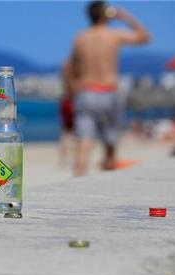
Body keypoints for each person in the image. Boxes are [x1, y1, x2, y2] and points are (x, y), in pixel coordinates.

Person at [64, 1, 150, 176]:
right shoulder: (113, 35)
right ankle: (108, 176)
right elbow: (145, 36)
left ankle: (76, 183)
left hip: (86, 92)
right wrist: (125, 17)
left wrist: (72, 90)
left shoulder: (81, 37)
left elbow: (68, 68)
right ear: (106, 14)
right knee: (110, 141)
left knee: (83, 143)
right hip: (108, 91)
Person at [59, 63, 76, 166]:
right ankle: (74, 157)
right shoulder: (75, 76)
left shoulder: (65, 74)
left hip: (65, 101)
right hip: (73, 102)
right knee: (77, 132)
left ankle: (63, 158)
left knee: (65, 132)